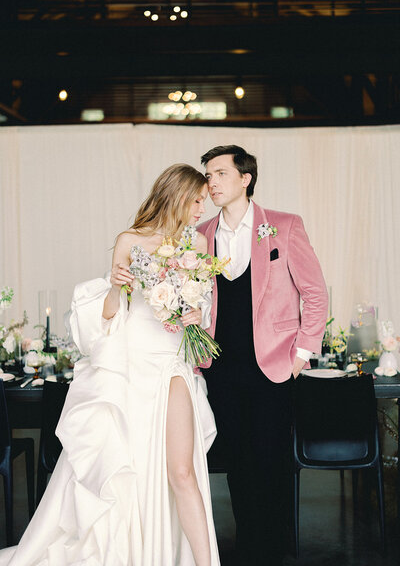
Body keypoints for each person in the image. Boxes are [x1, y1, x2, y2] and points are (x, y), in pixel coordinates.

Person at [0, 164, 220, 566]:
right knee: (125, 471)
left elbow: (201, 306)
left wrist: (194, 314)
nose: (203, 206)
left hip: (171, 365)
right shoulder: (129, 240)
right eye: (197, 199)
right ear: (177, 196)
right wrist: (117, 286)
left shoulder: (200, 246)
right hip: (129, 368)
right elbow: (109, 315)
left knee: (182, 472)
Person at [197, 145, 328, 566]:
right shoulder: (198, 235)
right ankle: (251, 546)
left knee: (270, 458)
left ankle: (274, 548)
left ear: (245, 178)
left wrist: (302, 353)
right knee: (237, 460)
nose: (211, 182)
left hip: (273, 366)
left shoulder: (284, 227)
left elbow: (315, 293)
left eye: (219, 173)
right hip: (220, 368)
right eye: (208, 175)